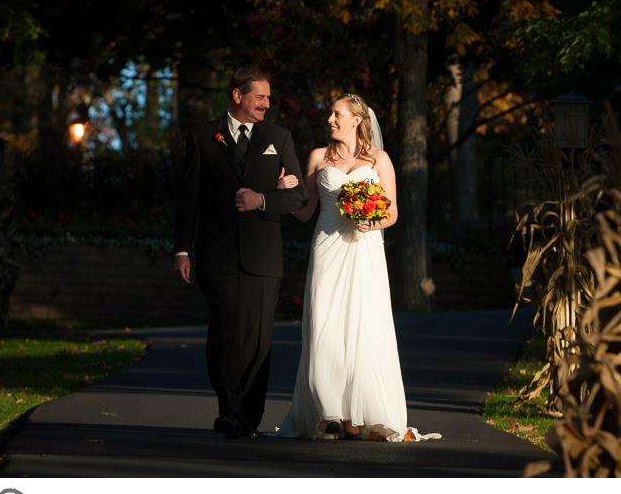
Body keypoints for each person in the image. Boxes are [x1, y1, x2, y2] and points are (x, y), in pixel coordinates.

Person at [277, 93, 440, 442]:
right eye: (330, 115)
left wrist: (373, 221)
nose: (331, 120)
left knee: (362, 326)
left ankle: (356, 418)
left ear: (356, 119)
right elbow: (304, 211)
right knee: (324, 324)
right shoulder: (318, 158)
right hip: (327, 247)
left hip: (365, 249)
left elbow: (393, 212)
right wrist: (282, 193)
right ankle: (329, 411)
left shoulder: (379, 159)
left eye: (337, 115)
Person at [173, 67, 308, 439]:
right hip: (217, 256)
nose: (267, 103)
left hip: (263, 258)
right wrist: (182, 249)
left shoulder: (279, 138)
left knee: (259, 338)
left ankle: (248, 417)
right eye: (260, 96)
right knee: (226, 333)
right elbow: (189, 200)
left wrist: (264, 198)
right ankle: (229, 411)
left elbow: (298, 196)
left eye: (268, 97)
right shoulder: (202, 137)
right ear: (237, 96)